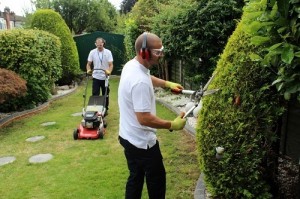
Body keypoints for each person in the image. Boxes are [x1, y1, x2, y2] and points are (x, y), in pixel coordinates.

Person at [118, 32, 187, 199]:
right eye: (157, 52)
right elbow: (144, 119)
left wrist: (166, 84)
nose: (161, 56)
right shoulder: (139, 81)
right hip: (143, 144)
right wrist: (172, 125)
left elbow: (148, 77)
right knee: (157, 182)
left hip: (127, 136)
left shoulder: (132, 65)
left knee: (135, 177)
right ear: (144, 53)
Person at [86, 37, 113, 112]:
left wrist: (109, 71)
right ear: (95, 44)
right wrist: (88, 70)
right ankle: (95, 109)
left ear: (103, 43)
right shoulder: (92, 52)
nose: (99, 47)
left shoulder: (108, 52)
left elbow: (111, 64)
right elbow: (88, 64)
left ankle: (105, 109)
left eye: (100, 45)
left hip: (105, 77)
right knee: (95, 94)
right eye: (97, 45)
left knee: (105, 94)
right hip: (96, 76)